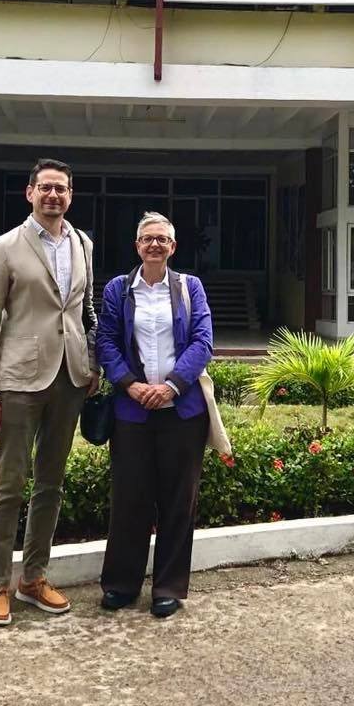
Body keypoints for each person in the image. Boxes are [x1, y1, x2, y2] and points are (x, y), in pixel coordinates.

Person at [0, 158, 99, 627]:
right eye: (45, 187)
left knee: (51, 483)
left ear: (71, 194)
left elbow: (86, 311)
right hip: (19, 380)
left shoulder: (83, 243)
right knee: (8, 484)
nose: (53, 196)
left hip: (70, 379)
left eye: (61, 189)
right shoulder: (5, 247)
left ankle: (34, 577)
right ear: (30, 193)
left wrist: (93, 365)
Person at [96, 211, 213, 618]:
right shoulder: (118, 289)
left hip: (182, 411)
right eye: (148, 238)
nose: (155, 245)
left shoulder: (189, 288)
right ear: (137, 245)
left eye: (162, 239)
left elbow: (202, 341)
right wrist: (131, 384)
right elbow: (106, 342)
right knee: (130, 498)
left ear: (173, 246)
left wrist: (172, 385)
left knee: (179, 500)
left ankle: (168, 587)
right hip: (133, 411)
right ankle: (121, 584)